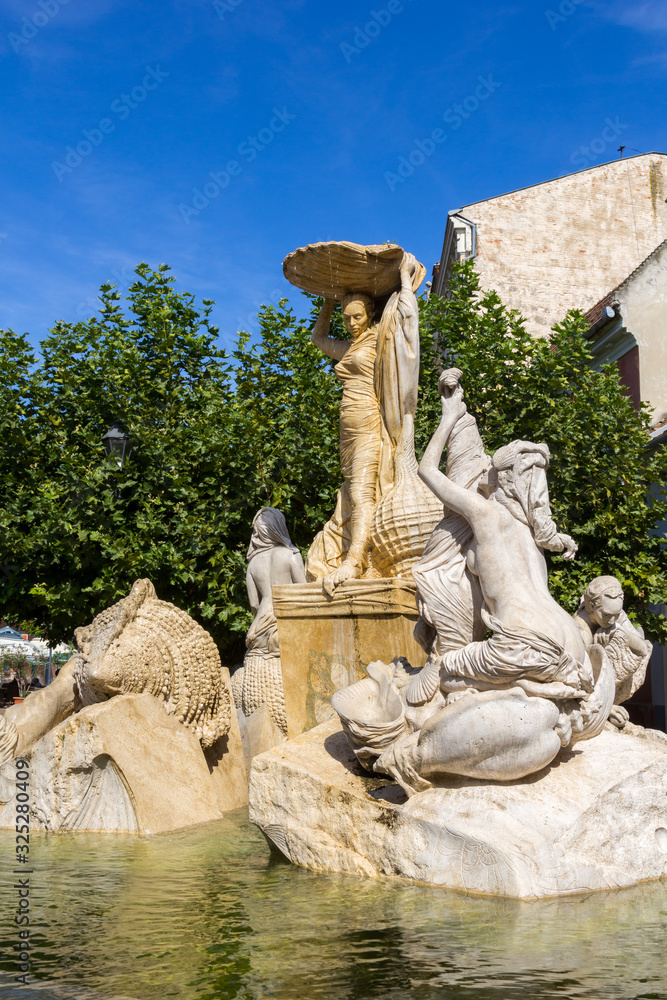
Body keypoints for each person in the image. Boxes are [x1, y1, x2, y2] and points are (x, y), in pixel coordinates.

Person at [307, 253, 421, 594]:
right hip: (348, 428)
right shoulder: (350, 346)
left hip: (371, 421)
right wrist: (327, 302)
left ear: (370, 314)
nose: (352, 323)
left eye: (357, 316)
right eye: (346, 318)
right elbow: (317, 339)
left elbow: (407, 319)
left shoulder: (379, 338)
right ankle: (361, 554)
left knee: (361, 491)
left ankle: (355, 560)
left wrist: (403, 282)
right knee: (351, 492)